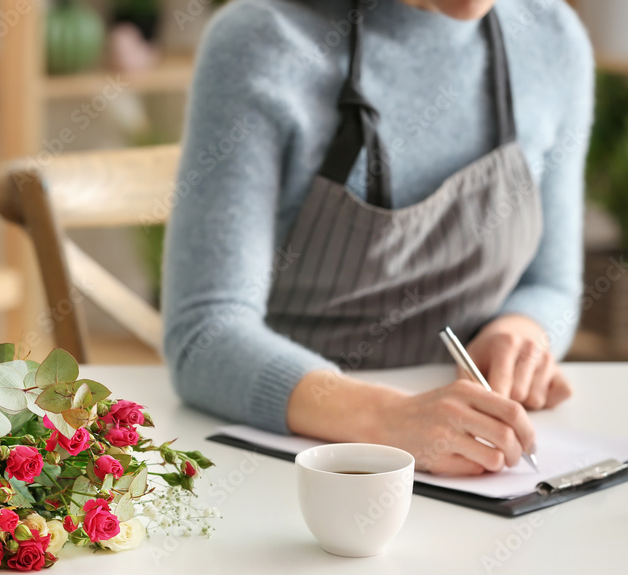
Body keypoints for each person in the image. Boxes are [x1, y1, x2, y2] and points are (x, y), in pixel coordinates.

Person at [162, 0, 594, 475]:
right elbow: (205, 333)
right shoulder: (261, 39)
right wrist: (385, 418)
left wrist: (519, 330)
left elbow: (551, 284)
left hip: (469, 456)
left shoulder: (550, 35)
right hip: (297, 464)